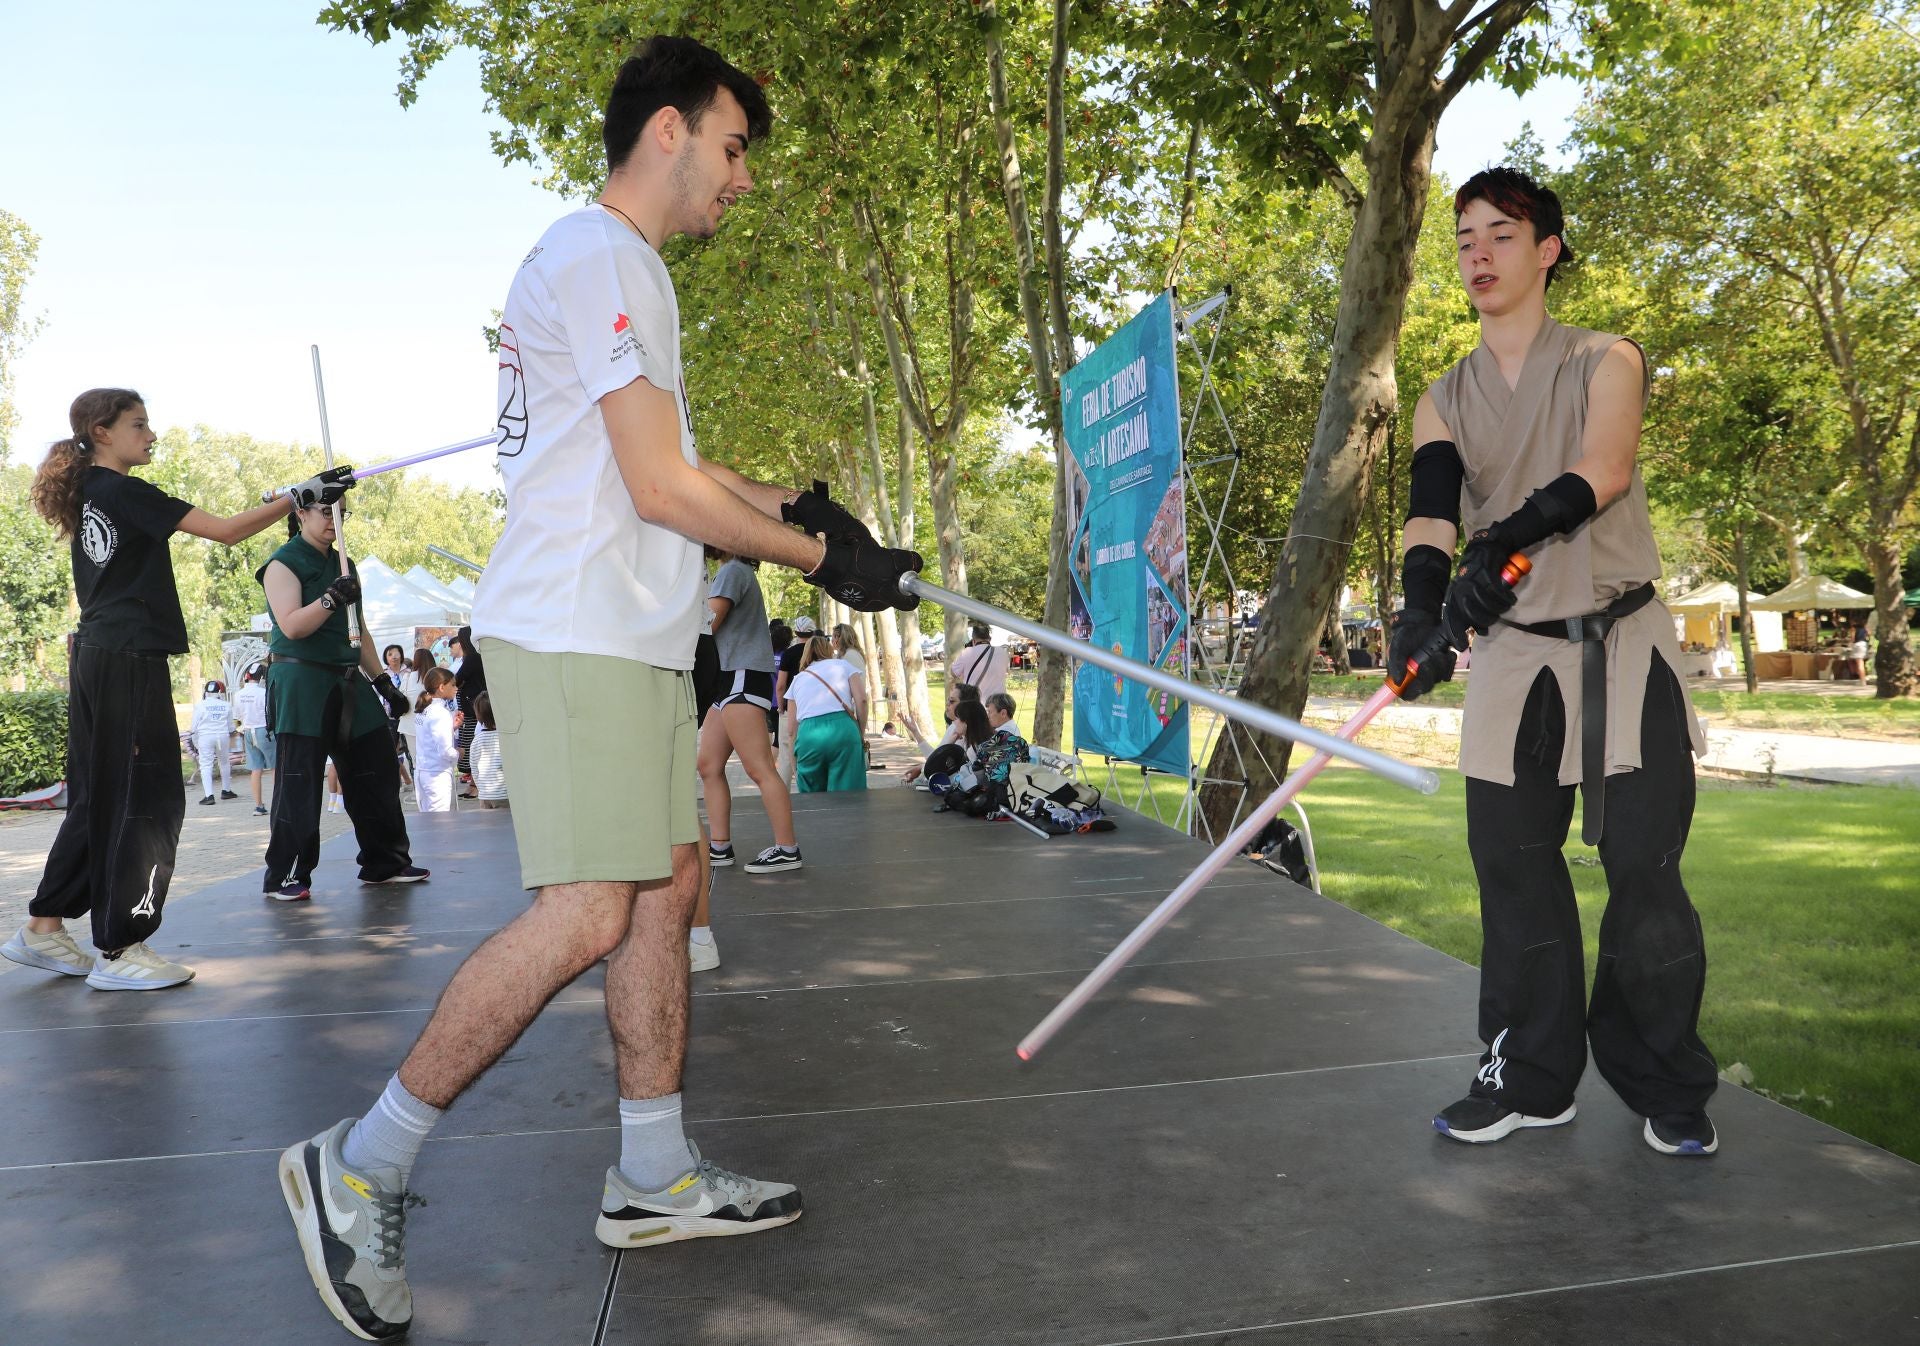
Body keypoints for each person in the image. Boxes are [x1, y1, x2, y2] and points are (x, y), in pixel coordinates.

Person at [275, 37, 922, 1342]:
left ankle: (652, 1169)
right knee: (585, 909)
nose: (741, 181)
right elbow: (653, 488)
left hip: (626, 636)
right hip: (574, 630)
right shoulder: (603, 255)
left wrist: (796, 507)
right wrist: (816, 561)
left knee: (666, 889)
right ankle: (362, 1162)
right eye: (735, 149)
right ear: (671, 129)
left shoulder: (605, 268)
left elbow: (672, 462)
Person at [1390, 167, 1716, 1158]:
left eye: (1500, 233)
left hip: (1622, 645)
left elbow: (1600, 471)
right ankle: (1529, 1075)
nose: (1477, 253)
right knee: (1512, 869)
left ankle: (1664, 1076)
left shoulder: (1606, 358)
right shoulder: (1440, 395)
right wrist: (1419, 608)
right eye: (1463, 238)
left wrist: (1506, 544)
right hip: (1513, 662)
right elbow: (1435, 505)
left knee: (1644, 869)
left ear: (1548, 250)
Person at [1, 388, 338, 992]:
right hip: (127, 656)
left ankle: (43, 926)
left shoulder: (90, 492)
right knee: (147, 794)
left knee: (99, 793)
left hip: (99, 654)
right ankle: (120, 946)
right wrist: (299, 495)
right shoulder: (126, 491)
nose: (152, 435)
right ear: (102, 432)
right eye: (140, 424)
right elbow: (229, 532)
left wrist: (295, 495)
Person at [257, 499, 429, 902]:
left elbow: (360, 631)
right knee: (299, 782)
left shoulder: (344, 565)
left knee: (377, 768)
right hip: (301, 680)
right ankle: (284, 874)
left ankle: (385, 860)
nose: (334, 521)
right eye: (324, 512)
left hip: (349, 681)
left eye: (341, 513)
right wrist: (331, 598)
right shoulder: (282, 564)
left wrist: (383, 682)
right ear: (301, 514)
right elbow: (292, 625)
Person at [698, 549, 802, 872]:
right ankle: (720, 846)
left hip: (742, 674)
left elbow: (710, 623)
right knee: (708, 765)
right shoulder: (731, 571)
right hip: (726, 678)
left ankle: (787, 849)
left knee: (758, 767)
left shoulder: (733, 570)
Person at [786, 633, 868, 792]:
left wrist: (794, 765)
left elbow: (790, 730)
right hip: (843, 729)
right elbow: (862, 700)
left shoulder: (797, 679)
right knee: (849, 795)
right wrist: (861, 732)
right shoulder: (844, 666)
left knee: (813, 800)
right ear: (829, 649)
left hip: (808, 734)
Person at [901, 679, 980, 785]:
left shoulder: (967, 737)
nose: (947, 704)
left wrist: (922, 768)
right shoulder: (954, 727)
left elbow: (939, 764)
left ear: (965, 706)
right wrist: (915, 732)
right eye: (948, 700)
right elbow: (935, 757)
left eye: (952, 701)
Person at [772, 613, 817, 784]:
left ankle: (784, 793)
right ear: (812, 633)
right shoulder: (818, 653)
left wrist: (781, 706)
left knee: (785, 752)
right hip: (813, 707)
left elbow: (781, 684)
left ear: (796, 633)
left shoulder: (789, 654)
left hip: (790, 707)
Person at [412, 669, 460, 813]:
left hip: (422, 771)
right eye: (453, 685)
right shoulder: (440, 713)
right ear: (441, 687)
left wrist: (452, 728)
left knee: (428, 821)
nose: (456, 688)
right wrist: (459, 753)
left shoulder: (424, 709)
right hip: (436, 775)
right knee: (440, 823)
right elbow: (445, 750)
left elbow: (429, 736)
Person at [234, 662, 274, 816]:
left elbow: (236, 717)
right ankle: (279, 802)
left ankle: (258, 806)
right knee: (274, 768)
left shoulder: (238, 694)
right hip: (263, 730)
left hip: (248, 732)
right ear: (262, 677)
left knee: (256, 770)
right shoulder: (264, 693)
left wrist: (242, 728)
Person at [190, 678, 238, 805]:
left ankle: (209, 795)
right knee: (224, 762)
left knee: (206, 765)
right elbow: (230, 727)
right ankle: (226, 790)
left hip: (205, 737)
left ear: (205, 692)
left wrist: (194, 736)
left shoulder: (200, 705)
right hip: (222, 736)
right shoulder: (226, 705)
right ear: (219, 692)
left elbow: (193, 726)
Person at [452, 625, 486, 797]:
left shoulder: (471, 658)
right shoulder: (476, 657)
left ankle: (475, 785)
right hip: (475, 707)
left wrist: (460, 683)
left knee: (471, 746)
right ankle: (474, 784)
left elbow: (457, 680)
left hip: (472, 710)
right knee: (472, 746)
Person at [382, 645, 417, 787]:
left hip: (408, 716)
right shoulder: (383, 674)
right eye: (390, 654)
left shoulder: (410, 673)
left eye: (397, 653)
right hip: (390, 718)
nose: (394, 656)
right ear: (386, 658)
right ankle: (393, 786)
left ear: (402, 655)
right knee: (390, 753)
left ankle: (417, 785)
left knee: (411, 752)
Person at [951, 623, 1008, 701]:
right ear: (990, 639)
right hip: (998, 703)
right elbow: (1006, 671)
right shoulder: (1003, 653)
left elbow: (954, 673)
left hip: (976, 703)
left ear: (973, 640)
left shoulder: (967, 652)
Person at [470, 691, 508, 808]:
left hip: (485, 794)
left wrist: (481, 788)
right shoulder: (505, 738)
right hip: (504, 793)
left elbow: (474, 768)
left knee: (489, 825)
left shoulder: (477, 740)